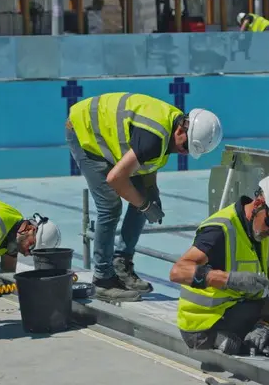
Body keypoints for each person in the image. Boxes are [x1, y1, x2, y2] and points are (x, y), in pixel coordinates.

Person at [67, 93, 223, 302]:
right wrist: (144, 205)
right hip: (83, 129)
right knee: (110, 206)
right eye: (185, 147)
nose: (184, 153)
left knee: (146, 195)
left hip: (105, 131)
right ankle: (103, 280)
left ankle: (121, 264)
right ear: (180, 130)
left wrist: (151, 192)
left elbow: (149, 160)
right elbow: (116, 179)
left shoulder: (174, 123)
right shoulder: (154, 137)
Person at [170, 173, 269, 365]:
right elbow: (178, 271)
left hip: (236, 310)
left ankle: (258, 350)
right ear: (258, 204)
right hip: (205, 323)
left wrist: (264, 321)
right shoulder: (221, 230)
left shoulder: (265, 232)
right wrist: (229, 279)